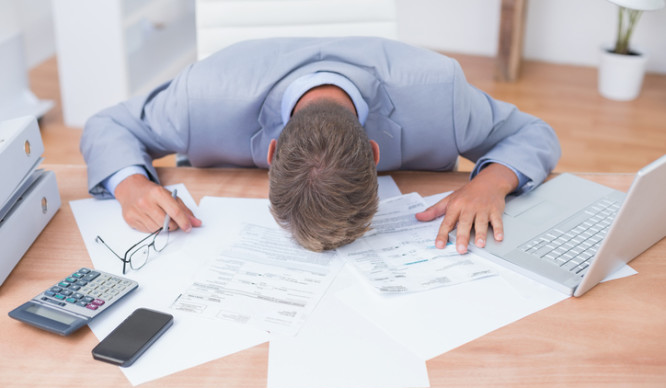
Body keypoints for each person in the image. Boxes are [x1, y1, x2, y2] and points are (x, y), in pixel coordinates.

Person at [81, 36, 560, 254]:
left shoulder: (440, 92)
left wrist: (493, 182)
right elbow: (107, 125)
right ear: (271, 157)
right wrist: (128, 184)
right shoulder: (202, 96)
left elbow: (534, 132)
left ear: (373, 155)